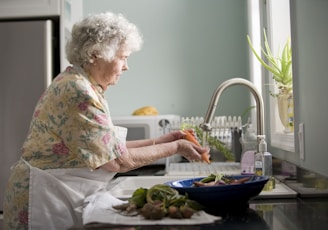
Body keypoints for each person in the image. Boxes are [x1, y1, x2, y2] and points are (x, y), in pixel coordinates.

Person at [3, 12, 208, 229]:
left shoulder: (83, 85)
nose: (126, 66)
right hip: (43, 199)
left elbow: (108, 148)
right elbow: (117, 160)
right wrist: (176, 147)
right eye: (123, 57)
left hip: (56, 192)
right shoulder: (77, 91)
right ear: (96, 54)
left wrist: (163, 141)